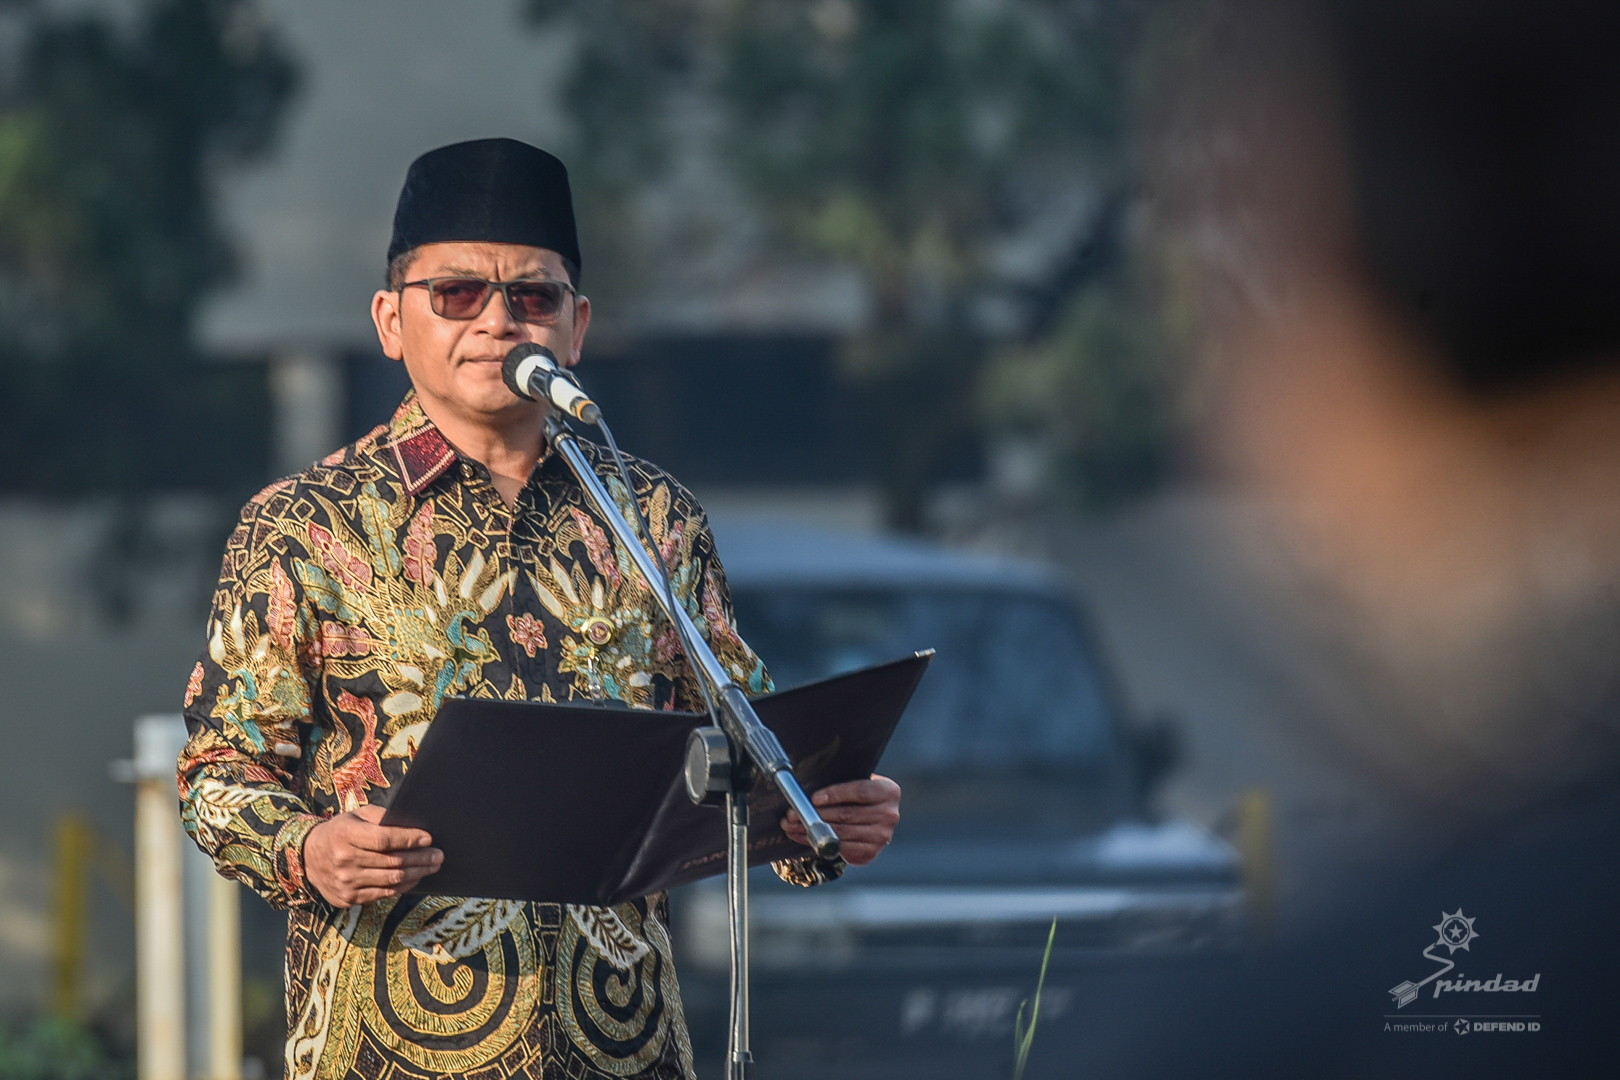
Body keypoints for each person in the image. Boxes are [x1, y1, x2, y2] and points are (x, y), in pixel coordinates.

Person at [177, 138, 901, 1080]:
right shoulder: (303, 526)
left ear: (577, 326)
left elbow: (748, 738)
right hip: (391, 1047)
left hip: (622, 1040)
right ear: (391, 321)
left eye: (531, 296)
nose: (496, 321)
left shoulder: (651, 516)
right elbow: (215, 772)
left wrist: (822, 814)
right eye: (456, 293)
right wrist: (308, 847)